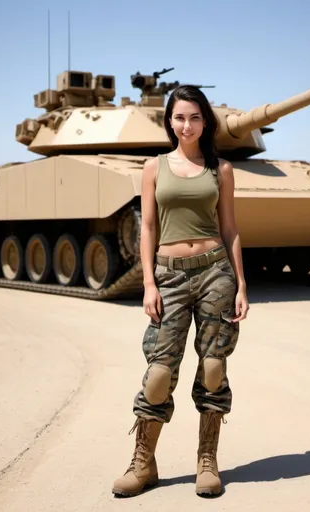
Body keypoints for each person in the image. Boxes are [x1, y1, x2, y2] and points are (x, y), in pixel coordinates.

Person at [112, 85, 249, 498]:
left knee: (213, 369)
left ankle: (207, 461)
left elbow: (230, 229)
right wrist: (148, 282)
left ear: (205, 122)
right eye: (178, 117)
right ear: (169, 121)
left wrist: (241, 284)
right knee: (158, 374)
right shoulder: (154, 168)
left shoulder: (220, 169)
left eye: (194, 117)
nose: (186, 125)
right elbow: (149, 227)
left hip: (215, 273)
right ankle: (143, 463)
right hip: (168, 276)